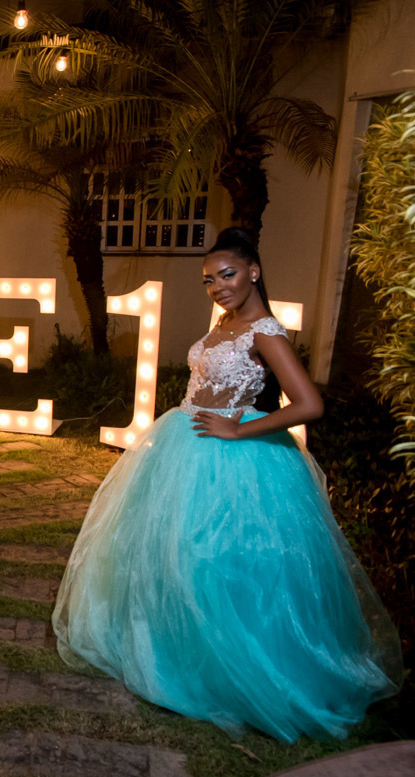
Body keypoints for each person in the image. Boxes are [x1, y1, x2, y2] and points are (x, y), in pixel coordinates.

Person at [52, 226, 403, 742]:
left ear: (253, 270)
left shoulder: (265, 330)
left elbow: (309, 404)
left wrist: (237, 427)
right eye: (209, 280)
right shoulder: (227, 319)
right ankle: (179, 648)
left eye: (228, 274)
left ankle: (237, 665)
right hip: (185, 443)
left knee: (221, 559)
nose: (217, 286)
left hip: (234, 458)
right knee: (171, 552)